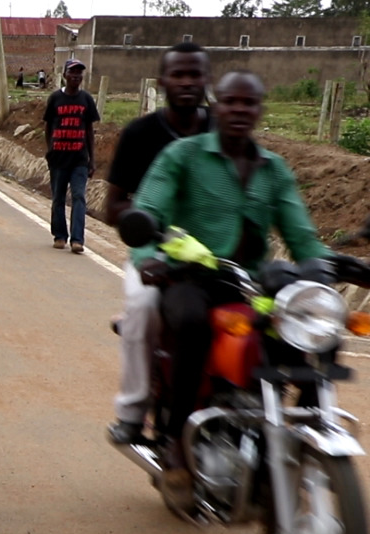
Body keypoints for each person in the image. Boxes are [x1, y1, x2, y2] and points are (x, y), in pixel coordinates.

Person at [131, 70, 333, 508]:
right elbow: (148, 209)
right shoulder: (182, 156)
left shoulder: (273, 169)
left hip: (249, 285)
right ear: (215, 106)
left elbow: (303, 238)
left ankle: (304, 442)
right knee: (190, 323)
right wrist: (147, 256)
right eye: (230, 101)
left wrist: (326, 266)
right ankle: (175, 440)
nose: (239, 109)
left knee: (311, 334)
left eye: (249, 102)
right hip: (191, 279)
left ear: (260, 110)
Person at [105, 42, 214, 446]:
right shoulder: (140, 134)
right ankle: (132, 411)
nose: (186, 82)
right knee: (143, 307)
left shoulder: (224, 129)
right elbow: (112, 207)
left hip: (218, 257)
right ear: (162, 82)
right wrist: (150, 223)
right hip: (155, 252)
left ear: (207, 80)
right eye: (178, 75)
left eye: (194, 75)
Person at [42, 58, 99, 254]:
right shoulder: (55, 99)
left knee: (79, 196)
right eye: (72, 72)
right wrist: (50, 150)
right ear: (65, 75)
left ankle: (77, 240)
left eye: (79, 73)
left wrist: (92, 160)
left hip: (79, 159)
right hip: (58, 158)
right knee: (58, 198)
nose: (76, 76)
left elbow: (89, 131)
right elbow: (48, 127)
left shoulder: (86, 99)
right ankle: (59, 236)